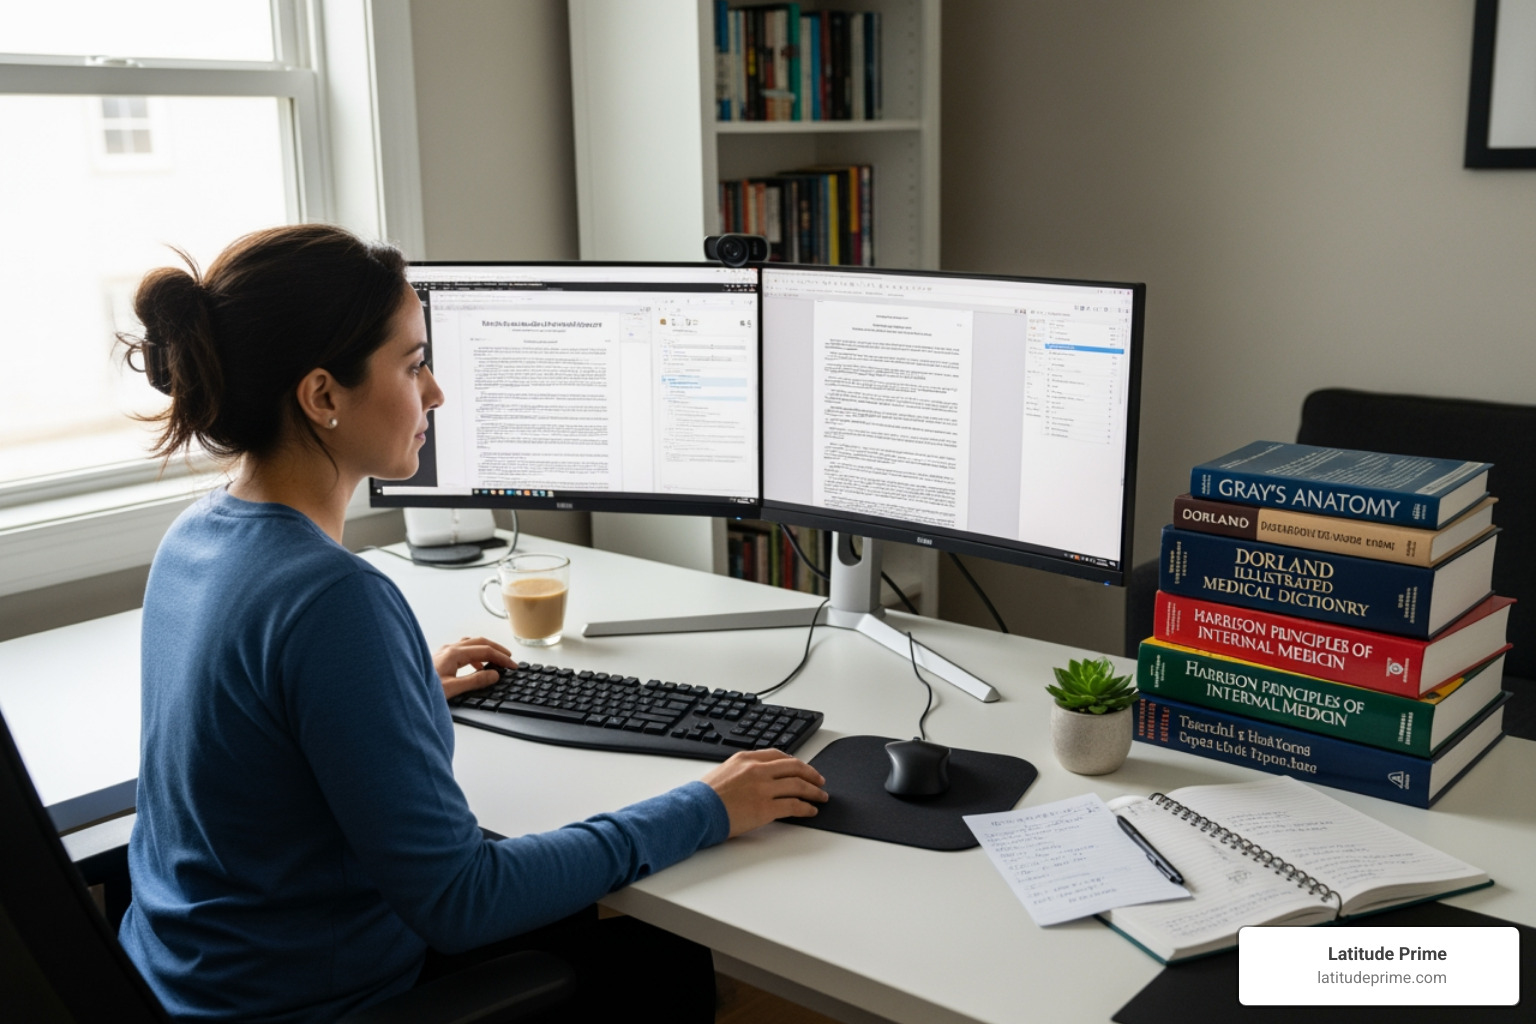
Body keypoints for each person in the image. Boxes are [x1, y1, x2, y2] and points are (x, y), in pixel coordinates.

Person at [115, 224, 829, 1023]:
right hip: (311, 1004)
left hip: (185, 982)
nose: (436, 393)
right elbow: (461, 901)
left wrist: (404, 691)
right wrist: (709, 804)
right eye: (414, 363)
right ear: (322, 396)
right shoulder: (332, 599)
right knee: (664, 957)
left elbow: (261, 741)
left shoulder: (196, 537)